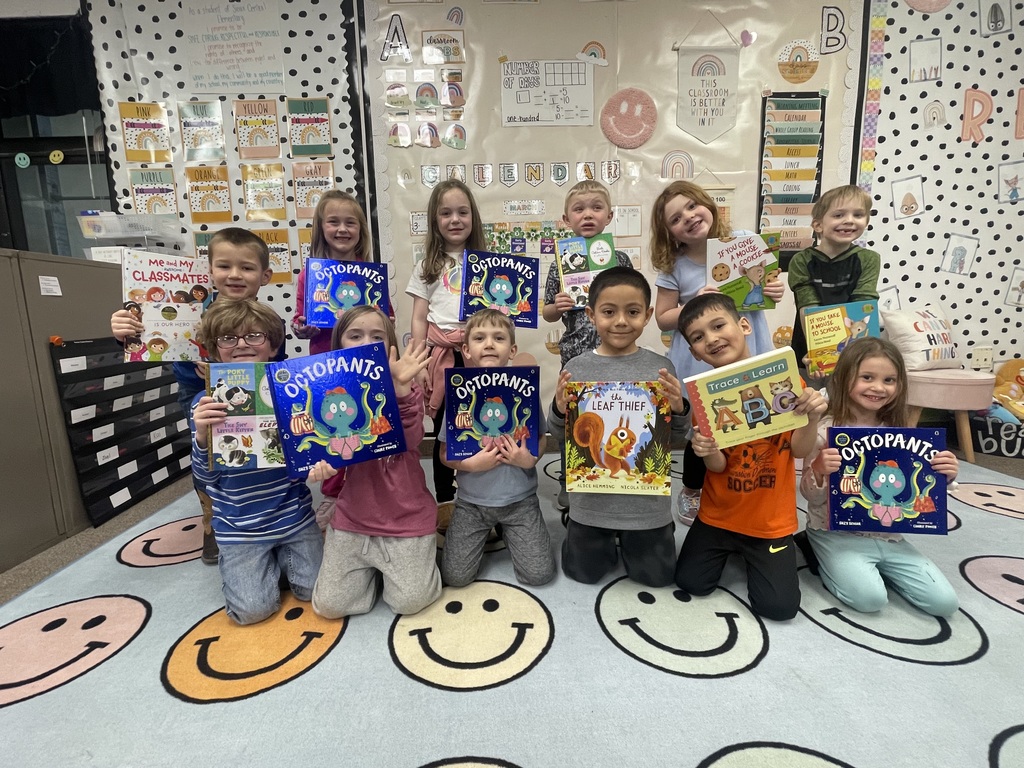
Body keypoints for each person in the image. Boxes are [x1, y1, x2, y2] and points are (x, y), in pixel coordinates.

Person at [111, 227, 275, 565]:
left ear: (264, 276)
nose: (235, 275)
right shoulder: (186, 305)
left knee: (253, 451)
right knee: (208, 452)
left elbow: (275, 358)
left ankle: (263, 513)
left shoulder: (265, 318)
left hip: (251, 394)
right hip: (197, 391)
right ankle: (211, 519)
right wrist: (125, 330)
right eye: (224, 266)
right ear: (209, 271)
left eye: (246, 267)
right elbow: (148, 337)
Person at [673, 293, 827, 621]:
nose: (711, 339)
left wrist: (812, 417)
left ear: (744, 325)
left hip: (770, 521)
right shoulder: (704, 398)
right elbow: (718, 466)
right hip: (718, 516)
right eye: (698, 337)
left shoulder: (787, 381)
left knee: (779, 608)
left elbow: (799, 451)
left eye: (718, 326)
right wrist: (708, 451)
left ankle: (802, 543)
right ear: (694, 352)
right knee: (691, 582)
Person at [650, 181, 786, 525]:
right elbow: (663, 318)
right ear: (669, 232)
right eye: (676, 218)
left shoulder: (744, 242)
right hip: (701, 358)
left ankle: (750, 486)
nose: (688, 217)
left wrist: (774, 288)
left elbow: (767, 284)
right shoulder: (674, 265)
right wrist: (693, 302)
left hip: (747, 346)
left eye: (692, 206)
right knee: (704, 426)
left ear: (708, 205)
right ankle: (692, 488)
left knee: (754, 417)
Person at [797, 337, 960, 617]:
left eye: (889, 380)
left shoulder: (901, 433)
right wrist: (820, 470)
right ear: (844, 377)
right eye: (867, 377)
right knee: (870, 599)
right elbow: (809, 495)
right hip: (833, 533)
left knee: (945, 603)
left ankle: (867, 568)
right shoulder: (824, 432)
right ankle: (814, 550)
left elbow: (920, 489)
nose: (878, 387)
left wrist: (945, 474)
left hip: (889, 536)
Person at [549, 267, 690, 587]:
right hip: (590, 504)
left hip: (646, 506)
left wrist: (679, 409)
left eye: (633, 312)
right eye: (609, 312)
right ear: (591, 315)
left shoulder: (661, 368)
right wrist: (559, 408)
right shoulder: (576, 368)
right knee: (582, 574)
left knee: (658, 578)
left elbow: (675, 437)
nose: (621, 321)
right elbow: (558, 434)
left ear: (648, 315)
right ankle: (583, 533)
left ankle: (652, 533)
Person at [190, 299, 323, 625]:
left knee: (316, 592)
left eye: (254, 336)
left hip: (293, 518)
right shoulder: (205, 403)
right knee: (252, 611)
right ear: (214, 349)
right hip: (240, 529)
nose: (241, 345)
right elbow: (204, 478)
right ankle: (262, 565)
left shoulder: (292, 391)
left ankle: (275, 561)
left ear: (273, 345)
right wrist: (202, 437)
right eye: (228, 338)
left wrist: (315, 458)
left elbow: (306, 461)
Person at [307, 306, 442, 617]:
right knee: (330, 605)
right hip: (354, 518)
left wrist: (402, 391)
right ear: (339, 344)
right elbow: (322, 449)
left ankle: (408, 565)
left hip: (406, 517)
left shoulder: (407, 385)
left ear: (390, 344)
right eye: (355, 336)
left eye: (377, 337)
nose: (366, 343)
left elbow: (410, 439)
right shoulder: (326, 392)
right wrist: (319, 465)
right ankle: (374, 574)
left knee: (410, 602)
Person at [440, 309, 556, 588]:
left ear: (512, 350)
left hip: (520, 501)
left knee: (539, 575)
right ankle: (492, 529)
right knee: (455, 577)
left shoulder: (525, 390)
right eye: (480, 338)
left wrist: (530, 460)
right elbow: (444, 453)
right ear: (466, 350)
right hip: (472, 504)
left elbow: (541, 438)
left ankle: (507, 529)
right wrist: (468, 465)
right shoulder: (458, 397)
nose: (489, 344)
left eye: (499, 338)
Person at [542, 180, 635, 513]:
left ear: (609, 216)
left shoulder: (620, 259)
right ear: (566, 219)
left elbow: (634, 302)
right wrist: (558, 305)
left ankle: (616, 471)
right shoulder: (560, 261)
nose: (588, 215)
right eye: (579, 209)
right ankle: (570, 481)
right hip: (576, 355)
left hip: (618, 354)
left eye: (596, 208)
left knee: (613, 414)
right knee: (575, 419)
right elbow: (547, 313)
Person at [406, 179, 485, 530]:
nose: (455, 220)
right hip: (441, 357)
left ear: (473, 217)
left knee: (481, 423)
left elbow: (502, 312)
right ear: (434, 220)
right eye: (446, 213)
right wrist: (419, 362)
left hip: (479, 355)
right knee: (443, 431)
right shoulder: (427, 265)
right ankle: (445, 500)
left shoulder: (487, 263)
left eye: (462, 212)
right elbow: (419, 318)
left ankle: (481, 495)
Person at [787, 184, 881, 369]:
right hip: (810, 346)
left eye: (858, 215)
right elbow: (808, 308)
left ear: (867, 221)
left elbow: (863, 306)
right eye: (838, 215)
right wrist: (817, 353)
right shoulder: (801, 260)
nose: (849, 221)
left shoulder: (869, 259)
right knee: (811, 387)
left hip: (854, 346)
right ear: (818, 225)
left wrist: (858, 353)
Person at [291, 190, 374, 356]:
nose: (342, 229)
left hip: (366, 356)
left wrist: (387, 322)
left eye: (350, 223)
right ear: (321, 228)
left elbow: (387, 316)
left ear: (360, 229)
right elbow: (299, 318)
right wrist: (301, 328)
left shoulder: (372, 274)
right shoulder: (309, 275)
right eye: (333, 222)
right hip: (325, 358)